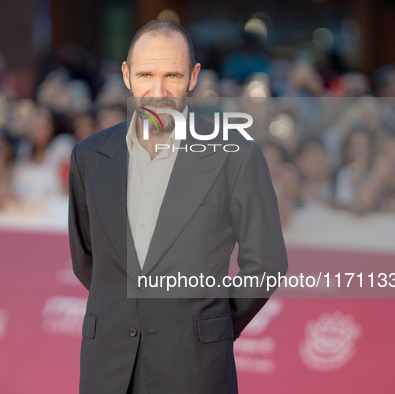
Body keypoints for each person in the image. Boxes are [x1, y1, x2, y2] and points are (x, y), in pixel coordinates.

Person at [68, 20, 288, 394]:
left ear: (192, 77)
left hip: (195, 368)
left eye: (171, 74)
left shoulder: (235, 155)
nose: (157, 91)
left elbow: (266, 264)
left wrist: (210, 325)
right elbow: (87, 257)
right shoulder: (90, 156)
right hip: (107, 366)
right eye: (145, 74)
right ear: (126, 75)